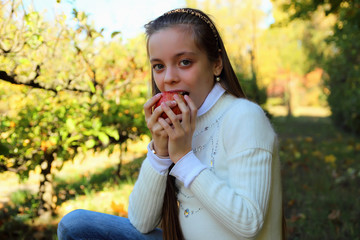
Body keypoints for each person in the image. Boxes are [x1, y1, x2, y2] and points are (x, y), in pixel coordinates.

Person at [57, 7, 285, 240]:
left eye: (185, 62)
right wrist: (160, 152)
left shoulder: (243, 117)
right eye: (159, 66)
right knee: (75, 225)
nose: (168, 78)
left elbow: (249, 223)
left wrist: (185, 159)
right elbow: (142, 222)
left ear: (216, 63)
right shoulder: (180, 123)